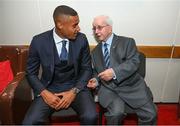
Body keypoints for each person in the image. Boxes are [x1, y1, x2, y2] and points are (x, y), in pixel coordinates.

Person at [23, 5, 97, 125]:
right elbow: (31, 73)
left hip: (76, 86)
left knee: (91, 116)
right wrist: (44, 93)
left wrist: (74, 91)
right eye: (75, 25)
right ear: (60, 25)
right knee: (29, 122)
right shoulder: (38, 41)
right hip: (49, 88)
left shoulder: (81, 39)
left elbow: (87, 69)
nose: (78, 28)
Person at [87, 15, 157, 125]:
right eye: (94, 28)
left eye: (99, 27)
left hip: (131, 87)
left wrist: (114, 72)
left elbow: (134, 63)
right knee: (115, 114)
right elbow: (97, 72)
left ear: (110, 28)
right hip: (109, 89)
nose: (96, 31)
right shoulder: (95, 52)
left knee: (151, 114)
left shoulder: (127, 42)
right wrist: (96, 80)